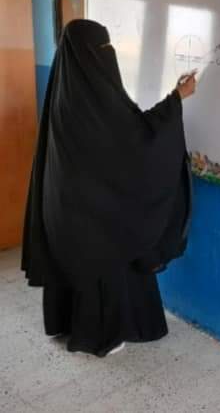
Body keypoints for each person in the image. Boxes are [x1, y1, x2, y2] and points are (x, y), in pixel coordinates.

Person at [22, 19, 196, 357]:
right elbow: (136, 138)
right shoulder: (95, 102)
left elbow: (124, 133)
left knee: (84, 257)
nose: (109, 54)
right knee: (110, 252)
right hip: (94, 219)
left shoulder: (65, 94)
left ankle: (69, 323)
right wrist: (177, 98)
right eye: (104, 48)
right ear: (89, 54)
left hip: (66, 212)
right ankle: (103, 333)